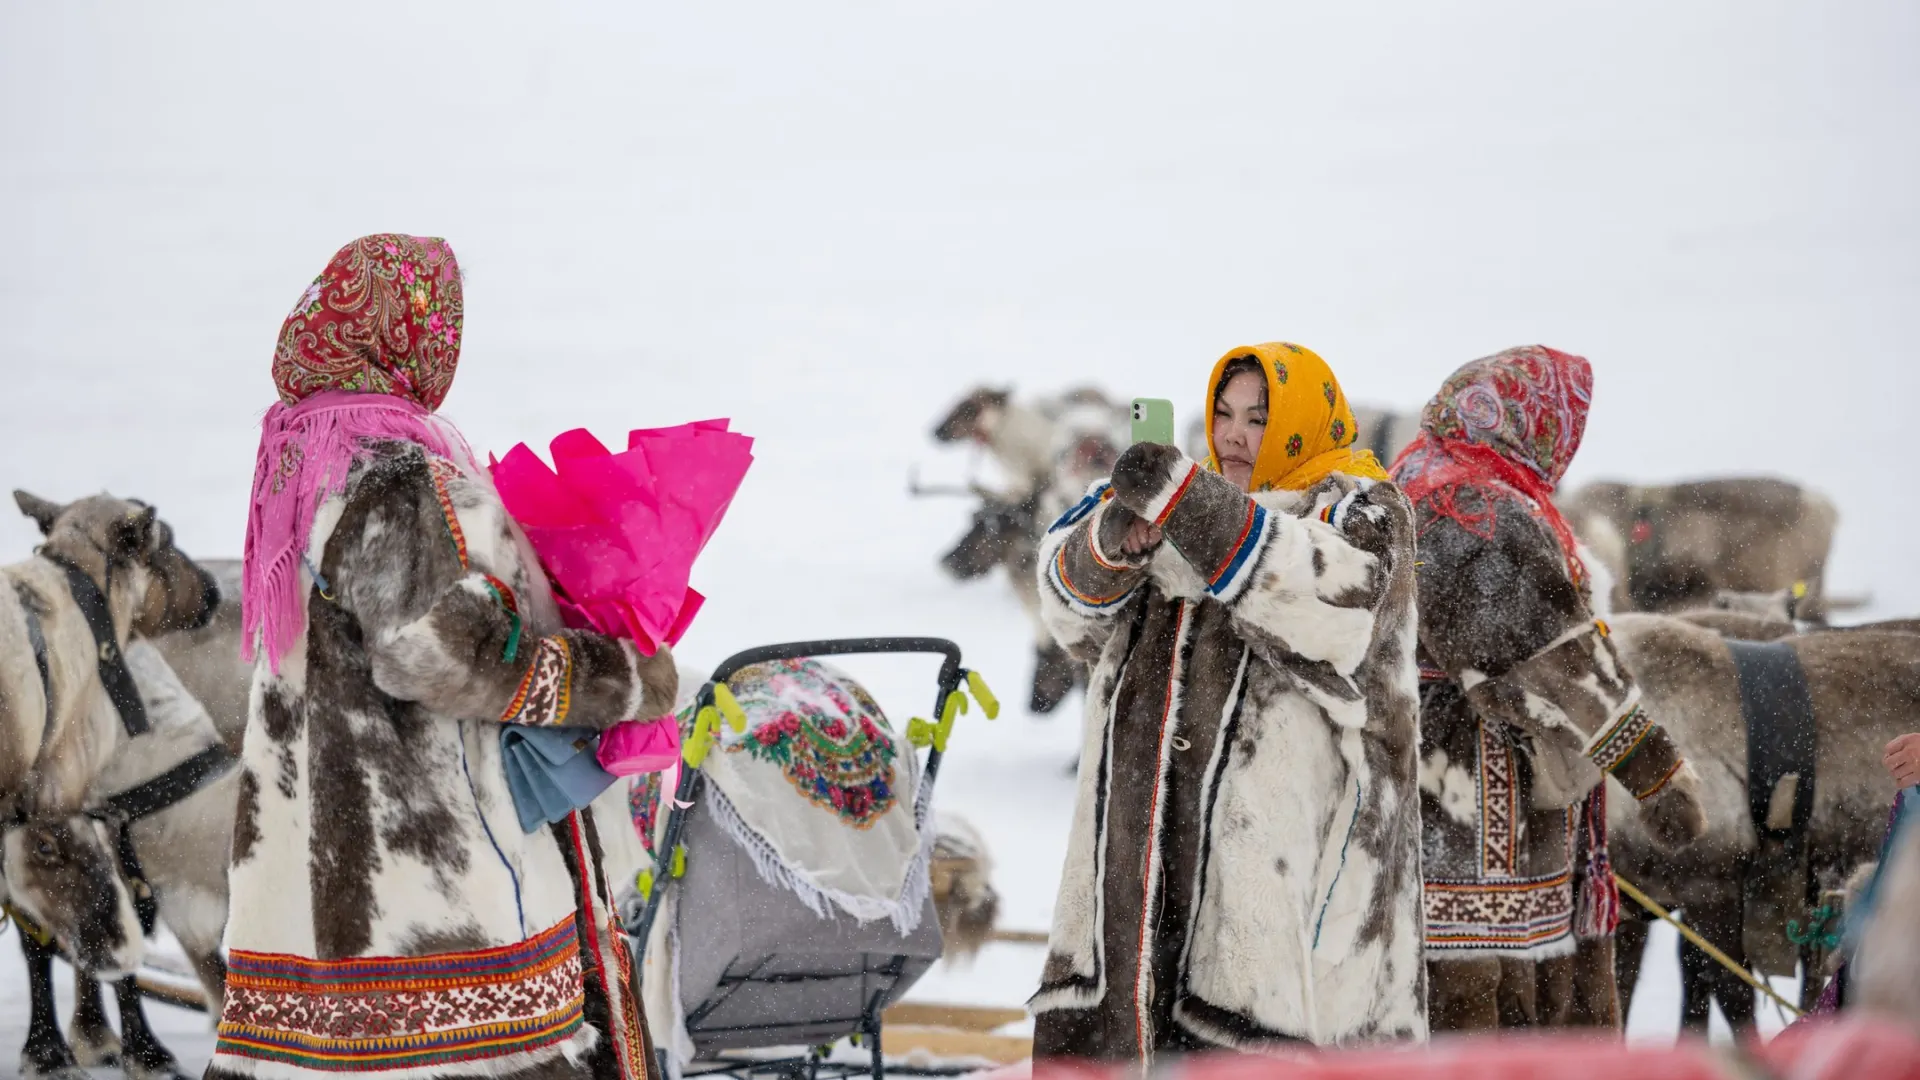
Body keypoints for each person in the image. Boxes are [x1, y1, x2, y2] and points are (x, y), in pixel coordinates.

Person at [210, 235, 678, 1080]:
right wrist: (620, 678)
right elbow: (435, 652)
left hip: (325, 879)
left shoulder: (304, 466)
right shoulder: (391, 475)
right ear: (410, 334)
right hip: (429, 880)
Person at [1028, 342, 1426, 1061]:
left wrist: (1192, 506)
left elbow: (1321, 605)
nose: (1234, 435)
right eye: (1222, 415)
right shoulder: (1180, 513)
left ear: (1304, 420)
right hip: (1138, 869)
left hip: (1291, 887)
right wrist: (1120, 536)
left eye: (1257, 418)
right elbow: (1065, 610)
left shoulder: (1363, 512)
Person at [1389, 347, 1706, 1031]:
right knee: (1489, 1019)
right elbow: (1559, 664)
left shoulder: (1409, 477)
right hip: (1472, 811)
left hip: (1412, 794)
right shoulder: (1470, 508)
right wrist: (1658, 776)